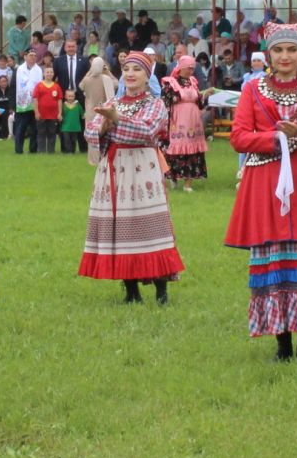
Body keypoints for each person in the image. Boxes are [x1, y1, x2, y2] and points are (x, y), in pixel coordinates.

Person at [225, 23, 297, 361]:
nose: (285, 56)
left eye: (291, 50)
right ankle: (281, 344)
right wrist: (276, 139)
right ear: (268, 54)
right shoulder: (253, 89)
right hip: (267, 185)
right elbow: (239, 136)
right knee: (274, 257)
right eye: (278, 50)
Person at [82, 50, 184, 305]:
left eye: (136, 70)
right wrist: (107, 125)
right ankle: (131, 292)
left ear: (147, 75)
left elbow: (147, 132)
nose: (130, 74)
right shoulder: (113, 103)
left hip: (142, 169)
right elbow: (91, 129)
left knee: (148, 225)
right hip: (113, 170)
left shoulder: (155, 103)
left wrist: (114, 123)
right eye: (126, 69)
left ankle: (161, 290)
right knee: (121, 226)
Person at [163, 55, 209, 189]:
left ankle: (188, 183)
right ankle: (174, 177)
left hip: (193, 121)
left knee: (193, 151)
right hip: (178, 121)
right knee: (177, 150)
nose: (190, 71)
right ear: (181, 67)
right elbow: (166, 101)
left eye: (192, 68)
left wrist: (203, 95)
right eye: (188, 68)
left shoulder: (193, 81)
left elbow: (199, 102)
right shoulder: (170, 82)